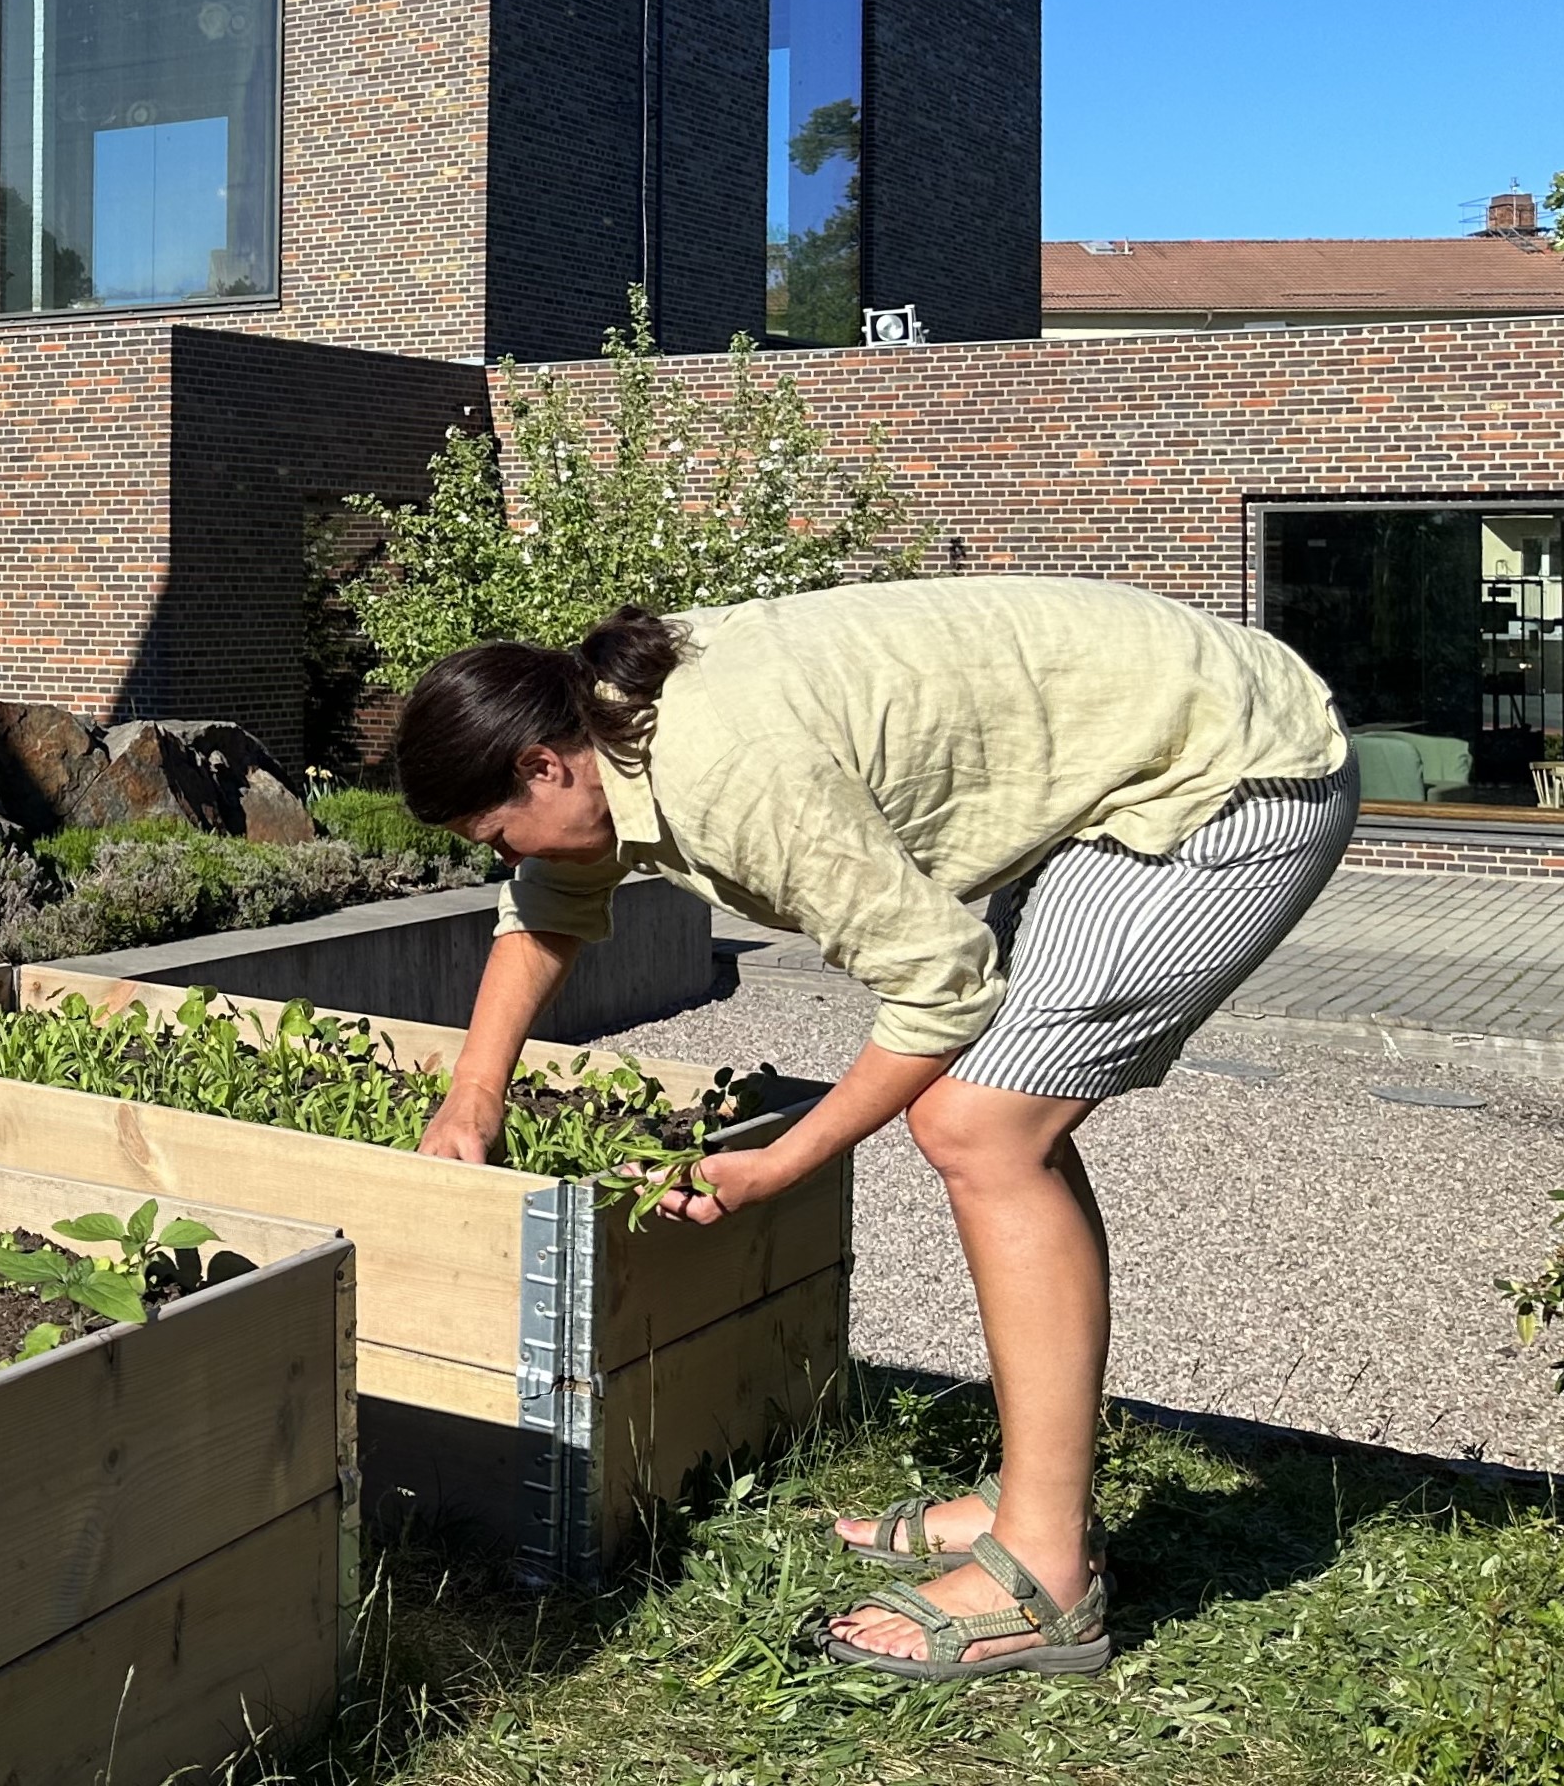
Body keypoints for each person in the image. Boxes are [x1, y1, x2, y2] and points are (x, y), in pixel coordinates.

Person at [396, 575, 1349, 1683]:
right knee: (1003, 1119)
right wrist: (473, 1096)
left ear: (540, 765)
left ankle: (1044, 1576)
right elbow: (545, 912)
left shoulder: (728, 772)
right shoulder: (598, 720)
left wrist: (782, 1161)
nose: (510, 857)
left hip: (1230, 770)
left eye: (497, 832)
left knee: (982, 1124)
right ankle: (1042, 1492)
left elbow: (943, 988)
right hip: (1142, 744)